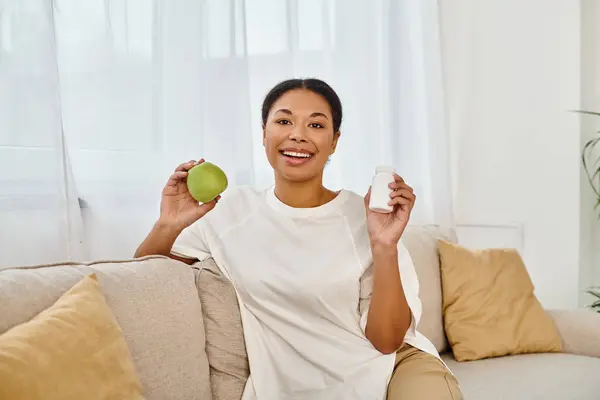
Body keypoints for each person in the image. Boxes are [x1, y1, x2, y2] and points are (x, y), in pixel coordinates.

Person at [135, 78, 462, 400]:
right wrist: (168, 224)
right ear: (263, 134)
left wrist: (384, 244)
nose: (298, 134)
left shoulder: (366, 216)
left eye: (316, 125)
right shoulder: (230, 211)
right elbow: (146, 275)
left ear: (334, 141)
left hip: (395, 368)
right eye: (284, 120)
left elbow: (388, 341)